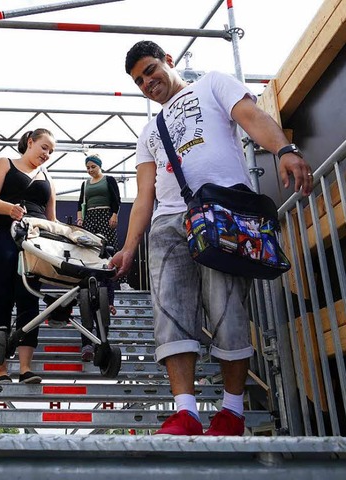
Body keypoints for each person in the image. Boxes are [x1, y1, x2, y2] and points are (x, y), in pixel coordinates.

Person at [111, 41, 313, 435]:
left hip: (224, 209)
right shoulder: (149, 130)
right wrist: (129, 247)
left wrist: (284, 150)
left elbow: (253, 117)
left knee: (226, 305)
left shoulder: (213, 84)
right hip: (169, 222)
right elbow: (145, 194)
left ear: (169, 61)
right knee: (169, 311)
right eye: (139, 81)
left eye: (151, 70)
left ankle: (232, 412)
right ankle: (184, 411)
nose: (147, 82)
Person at [0, 128, 57, 384]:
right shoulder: (5, 163)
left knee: (29, 300)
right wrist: (10, 209)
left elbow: (53, 219)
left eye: (51, 151)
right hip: (2, 234)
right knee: (1, 299)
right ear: (30, 142)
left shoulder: (47, 177)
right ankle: (0, 369)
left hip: (35, 242)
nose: (47, 154)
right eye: (44, 147)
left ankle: (25, 368)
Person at [76, 154, 122, 362]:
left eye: (93, 166)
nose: (90, 170)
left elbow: (116, 198)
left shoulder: (108, 180)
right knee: (89, 250)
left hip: (105, 214)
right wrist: (80, 217)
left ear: (100, 166)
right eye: (87, 167)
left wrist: (114, 214)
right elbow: (80, 202)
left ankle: (110, 278)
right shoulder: (85, 184)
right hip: (91, 217)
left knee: (106, 251)